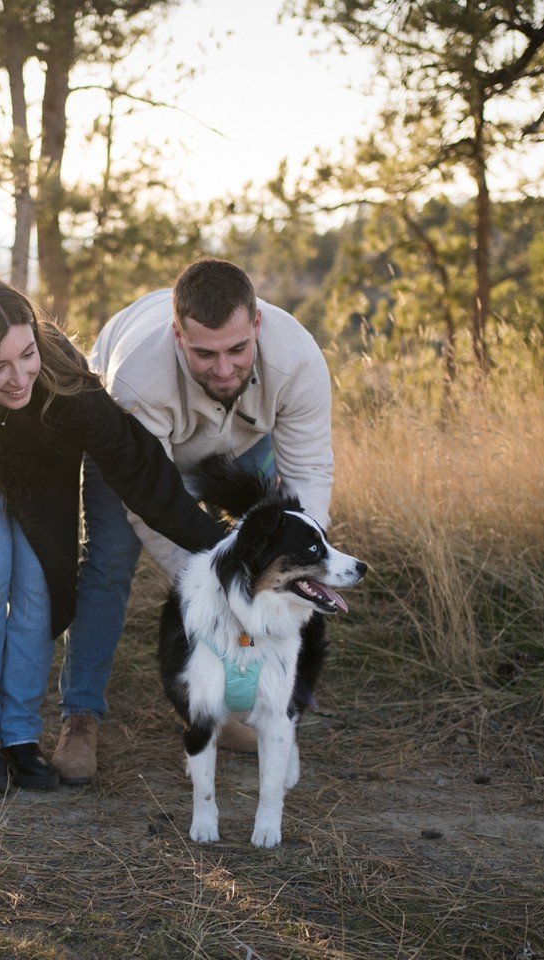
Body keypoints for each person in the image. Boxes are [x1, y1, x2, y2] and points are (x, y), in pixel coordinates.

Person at [0, 277, 224, 795]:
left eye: (25, 355)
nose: (17, 377)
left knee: (35, 589)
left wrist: (218, 542)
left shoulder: (64, 375)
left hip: (41, 487)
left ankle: (21, 736)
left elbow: (140, 469)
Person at [53, 258, 335, 785]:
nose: (224, 369)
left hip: (241, 446)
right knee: (109, 566)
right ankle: (80, 716)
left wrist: (299, 567)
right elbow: (149, 503)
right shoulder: (135, 379)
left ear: (257, 326)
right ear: (177, 335)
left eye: (236, 350)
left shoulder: (297, 359)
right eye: (205, 353)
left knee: (262, 565)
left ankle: (221, 707)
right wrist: (213, 585)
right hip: (139, 458)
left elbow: (309, 475)